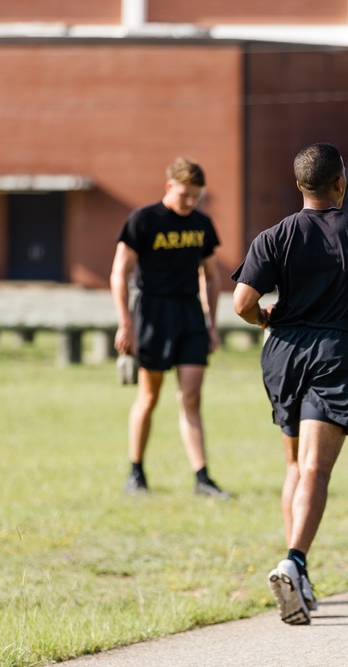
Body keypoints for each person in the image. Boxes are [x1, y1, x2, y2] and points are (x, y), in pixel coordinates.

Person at [231, 142, 348, 625]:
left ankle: (299, 570)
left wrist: (263, 317)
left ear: (300, 186)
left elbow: (240, 303)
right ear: (342, 182)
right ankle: (294, 562)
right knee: (317, 468)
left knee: (296, 466)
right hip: (335, 351)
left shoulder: (274, 236)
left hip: (282, 352)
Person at [110, 157, 229, 499]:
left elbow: (211, 275)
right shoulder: (143, 220)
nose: (190, 202)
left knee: (191, 397)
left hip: (190, 314)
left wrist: (211, 324)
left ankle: (202, 478)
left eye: (197, 196)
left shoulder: (202, 224)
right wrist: (125, 322)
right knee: (149, 396)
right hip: (152, 312)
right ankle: (136, 472)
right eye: (185, 195)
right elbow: (119, 272)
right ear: (169, 187)